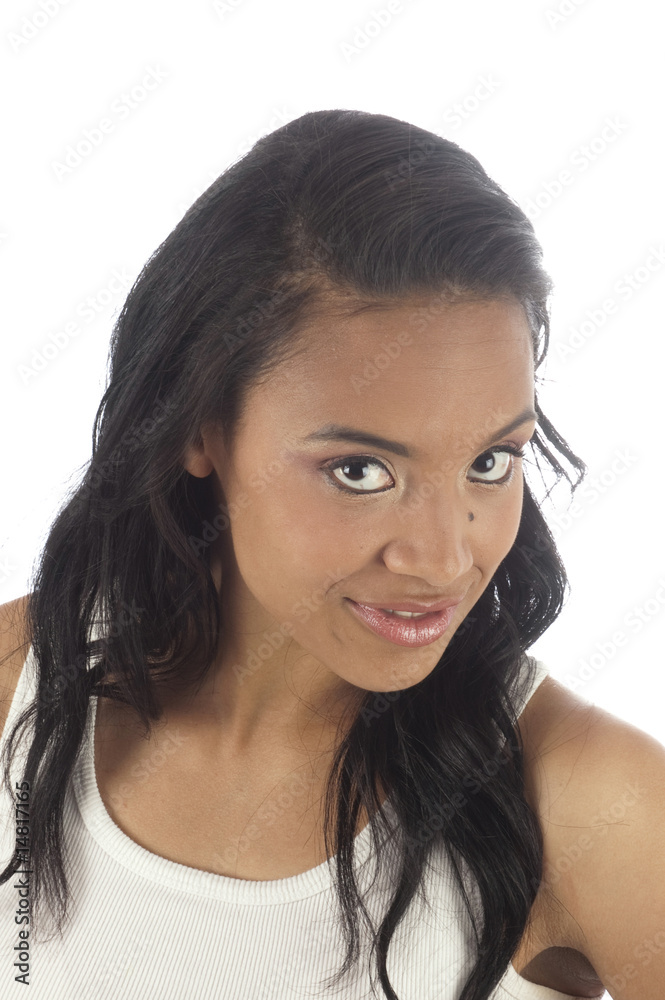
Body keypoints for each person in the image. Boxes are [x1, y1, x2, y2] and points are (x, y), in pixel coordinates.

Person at [0, 109, 662, 1000]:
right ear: (199, 429)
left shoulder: (592, 804)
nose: (441, 559)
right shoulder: (17, 689)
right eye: (360, 471)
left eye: (489, 462)